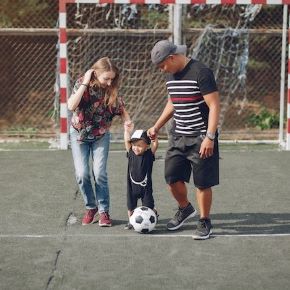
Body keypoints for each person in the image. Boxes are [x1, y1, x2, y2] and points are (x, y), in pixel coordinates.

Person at [148, 40, 220, 240]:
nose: (162, 70)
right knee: (172, 178)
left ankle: (205, 220)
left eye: (162, 65)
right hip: (178, 135)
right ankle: (185, 208)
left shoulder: (201, 72)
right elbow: (173, 101)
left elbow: (214, 106)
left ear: (172, 58)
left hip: (201, 137)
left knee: (202, 183)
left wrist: (209, 137)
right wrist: (156, 126)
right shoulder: (171, 75)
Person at [68, 57, 131, 227]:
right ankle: (91, 207)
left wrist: (127, 121)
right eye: (106, 78)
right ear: (96, 74)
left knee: (100, 174)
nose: (110, 82)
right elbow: (71, 105)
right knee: (82, 174)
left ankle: (104, 211)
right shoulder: (82, 83)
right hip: (79, 135)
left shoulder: (111, 89)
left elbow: (121, 108)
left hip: (101, 136)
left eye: (112, 78)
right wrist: (85, 83)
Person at [123, 126, 159, 230]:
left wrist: (154, 138)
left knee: (148, 206)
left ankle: (154, 213)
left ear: (147, 146)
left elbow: (155, 145)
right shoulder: (131, 153)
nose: (135, 147)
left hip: (145, 188)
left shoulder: (149, 155)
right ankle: (131, 221)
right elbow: (126, 141)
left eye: (139, 145)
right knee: (131, 206)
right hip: (132, 187)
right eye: (134, 145)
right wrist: (126, 131)